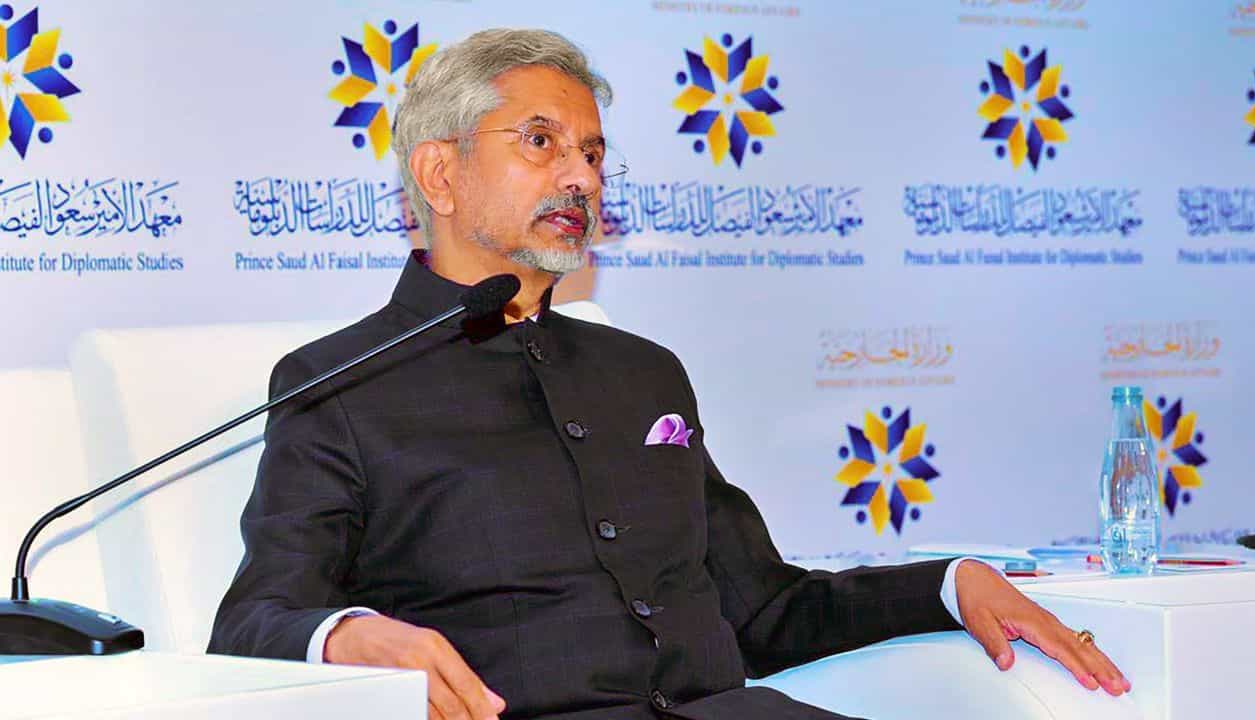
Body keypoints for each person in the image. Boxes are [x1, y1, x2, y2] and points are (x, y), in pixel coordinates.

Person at [208, 28, 1129, 720]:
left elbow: (763, 608)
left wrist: (950, 584)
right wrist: (348, 636)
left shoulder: (643, 374)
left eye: (593, 153)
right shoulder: (340, 382)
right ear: (440, 175)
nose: (581, 178)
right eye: (541, 143)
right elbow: (254, 619)